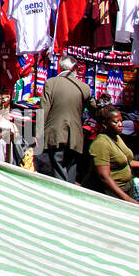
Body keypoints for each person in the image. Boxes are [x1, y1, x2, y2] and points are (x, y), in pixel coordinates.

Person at [40, 54, 93, 183]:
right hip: (75, 136)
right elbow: (93, 108)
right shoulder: (84, 87)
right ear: (74, 68)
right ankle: (68, 195)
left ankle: (61, 195)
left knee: (58, 170)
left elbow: (43, 110)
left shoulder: (51, 83)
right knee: (71, 169)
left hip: (55, 133)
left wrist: (37, 134)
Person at [89, 105, 139, 205]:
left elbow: (124, 160)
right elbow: (104, 176)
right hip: (113, 195)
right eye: (116, 122)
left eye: (121, 121)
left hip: (127, 189)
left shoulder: (116, 137)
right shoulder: (101, 143)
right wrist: (126, 199)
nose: (121, 124)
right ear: (105, 124)